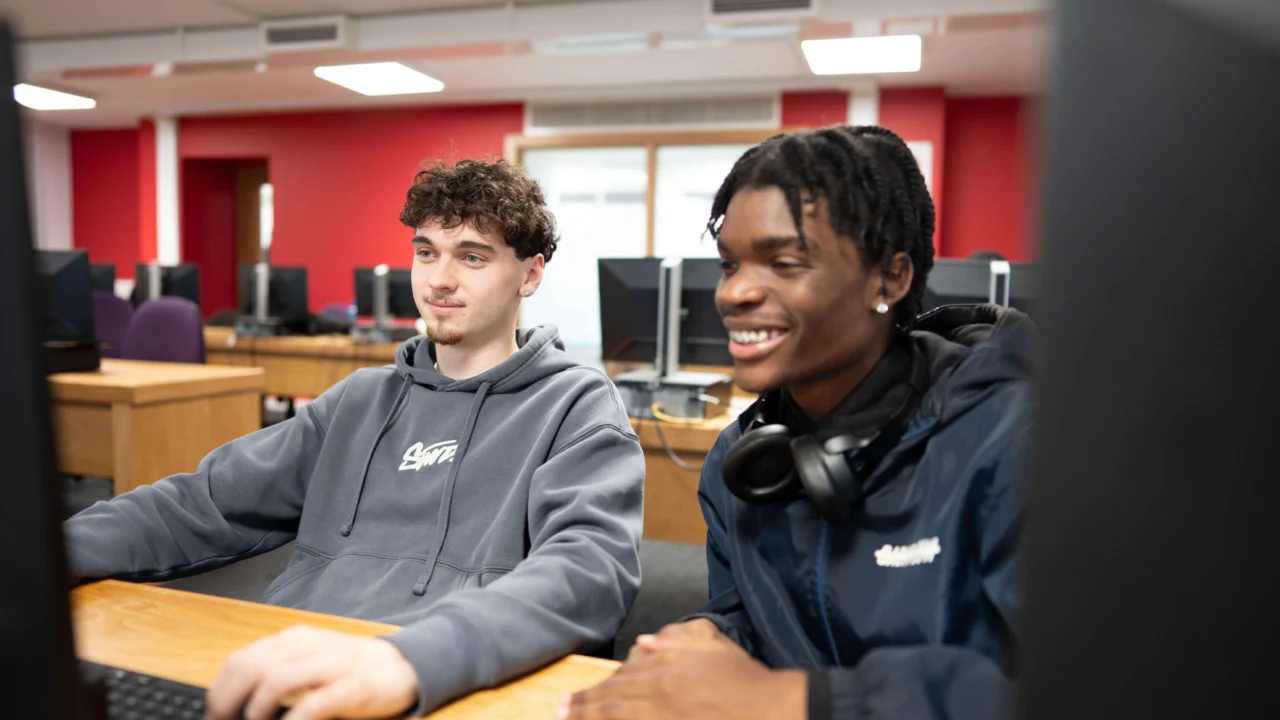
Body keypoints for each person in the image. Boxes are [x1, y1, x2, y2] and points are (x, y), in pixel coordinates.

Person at [64, 159, 645, 720]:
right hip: (299, 667)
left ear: (530, 274)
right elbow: (204, 502)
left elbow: (588, 570)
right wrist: (44, 556)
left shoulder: (574, 405)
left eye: (473, 257)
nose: (440, 279)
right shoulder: (361, 400)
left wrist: (411, 659)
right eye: (426, 253)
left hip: (440, 682)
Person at [562, 126, 1030, 720]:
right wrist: (706, 641)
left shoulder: (1009, 437)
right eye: (730, 263)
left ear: (890, 278)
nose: (734, 293)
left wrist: (797, 701)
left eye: (783, 263)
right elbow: (749, 615)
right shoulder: (747, 458)